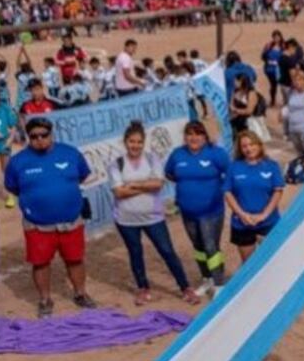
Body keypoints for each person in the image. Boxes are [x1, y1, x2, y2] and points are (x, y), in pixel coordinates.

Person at [5, 117, 96, 318]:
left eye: (44, 135)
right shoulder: (17, 162)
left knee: (75, 259)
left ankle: (80, 293)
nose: (39, 140)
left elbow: (82, 176)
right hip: (37, 225)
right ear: (28, 138)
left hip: (71, 221)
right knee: (41, 263)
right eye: (34, 136)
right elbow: (12, 187)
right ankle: (45, 299)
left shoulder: (70, 153)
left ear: (51, 134)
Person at [109, 122, 200, 306]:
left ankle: (185, 287)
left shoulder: (152, 160)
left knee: (167, 251)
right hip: (126, 220)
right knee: (135, 253)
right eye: (132, 141)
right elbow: (119, 192)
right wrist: (145, 185)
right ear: (125, 142)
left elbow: (158, 184)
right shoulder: (116, 164)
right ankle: (143, 288)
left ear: (144, 143)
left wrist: (132, 185)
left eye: (139, 142)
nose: (135, 145)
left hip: (153, 217)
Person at [164, 121, 231, 295]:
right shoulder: (177, 154)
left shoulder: (216, 153)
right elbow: (169, 173)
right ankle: (206, 279)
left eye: (198, 134)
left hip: (211, 211)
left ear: (205, 136)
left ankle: (219, 284)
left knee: (211, 247)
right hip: (188, 212)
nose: (193, 138)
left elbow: (229, 174)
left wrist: (218, 190)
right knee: (199, 248)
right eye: (189, 134)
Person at [224, 131, 284, 263]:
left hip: (268, 222)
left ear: (259, 144)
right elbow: (227, 193)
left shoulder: (271, 166)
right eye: (244, 146)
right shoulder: (234, 167)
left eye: (252, 144)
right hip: (242, 223)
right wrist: (242, 215)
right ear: (240, 149)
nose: (249, 149)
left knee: (273, 261)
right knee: (249, 266)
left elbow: (278, 191)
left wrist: (263, 215)